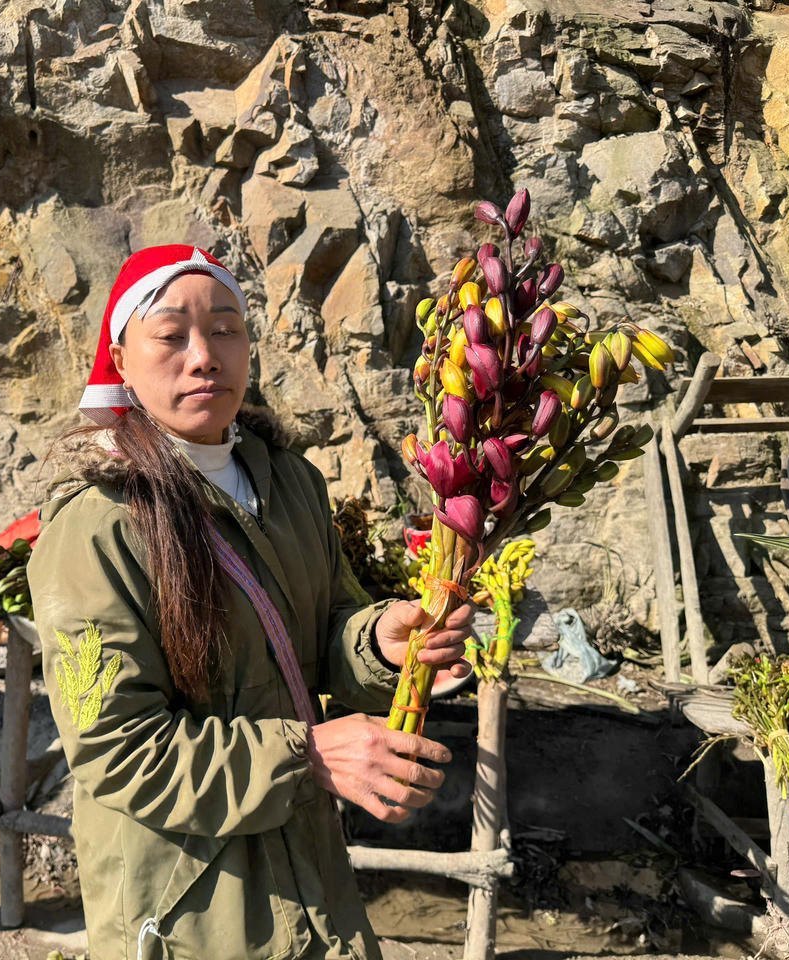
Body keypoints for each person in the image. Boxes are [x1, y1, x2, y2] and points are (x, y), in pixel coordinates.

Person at [27, 245, 474, 960]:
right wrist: (309, 757)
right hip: (187, 899)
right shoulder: (100, 525)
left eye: (227, 329)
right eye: (171, 336)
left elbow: (321, 631)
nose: (204, 357)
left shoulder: (290, 482)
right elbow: (117, 748)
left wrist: (378, 641)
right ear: (121, 358)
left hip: (309, 864)